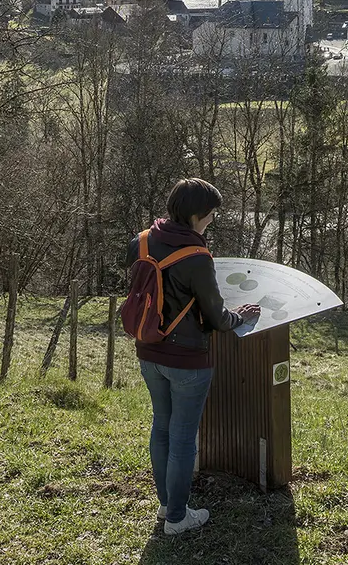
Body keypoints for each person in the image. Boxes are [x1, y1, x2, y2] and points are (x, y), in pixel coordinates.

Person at [127, 177, 260, 537]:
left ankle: (166, 504)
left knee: (161, 428)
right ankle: (177, 517)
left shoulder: (141, 241)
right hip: (187, 360)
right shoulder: (197, 257)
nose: (212, 220)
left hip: (148, 351)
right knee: (183, 437)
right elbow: (217, 318)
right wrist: (241, 316)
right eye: (211, 214)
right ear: (198, 215)